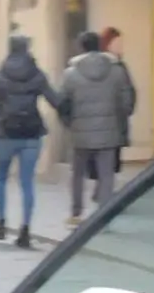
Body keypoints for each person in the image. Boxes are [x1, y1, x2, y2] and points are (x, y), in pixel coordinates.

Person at [0, 34, 57, 249]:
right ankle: (25, 230)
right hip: (32, 134)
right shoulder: (37, 75)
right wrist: (70, 112)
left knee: (1, 179)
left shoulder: (0, 75)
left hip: (6, 133)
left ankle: (1, 225)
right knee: (27, 182)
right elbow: (54, 99)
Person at [55, 28, 133, 224]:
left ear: (81, 47)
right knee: (106, 174)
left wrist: (70, 123)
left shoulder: (70, 74)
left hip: (80, 133)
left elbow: (62, 103)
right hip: (109, 131)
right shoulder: (117, 71)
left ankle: (76, 212)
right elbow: (127, 100)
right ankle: (104, 214)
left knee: (78, 174)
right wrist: (120, 119)